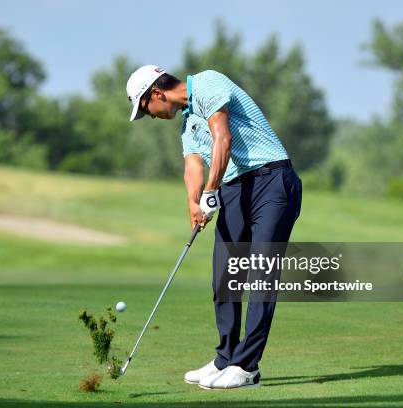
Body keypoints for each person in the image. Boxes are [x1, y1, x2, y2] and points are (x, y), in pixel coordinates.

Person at [126, 65, 302, 390]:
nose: (150, 116)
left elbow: (223, 137)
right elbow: (193, 164)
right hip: (235, 187)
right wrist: (194, 202)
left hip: (273, 180)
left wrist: (210, 191)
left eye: (146, 109)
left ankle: (247, 367)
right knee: (226, 276)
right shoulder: (188, 124)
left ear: (156, 94)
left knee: (262, 275)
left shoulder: (208, 84)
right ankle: (225, 358)